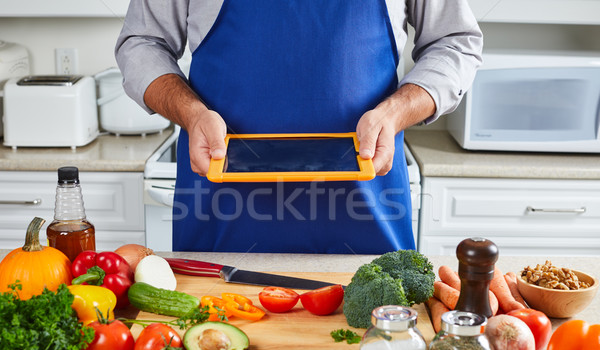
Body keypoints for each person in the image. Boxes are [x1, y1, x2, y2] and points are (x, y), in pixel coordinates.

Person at [115, 0, 483, 254]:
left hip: (367, 215)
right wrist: (191, 113)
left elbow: (455, 41)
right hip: (221, 216)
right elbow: (142, 42)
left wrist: (396, 112)